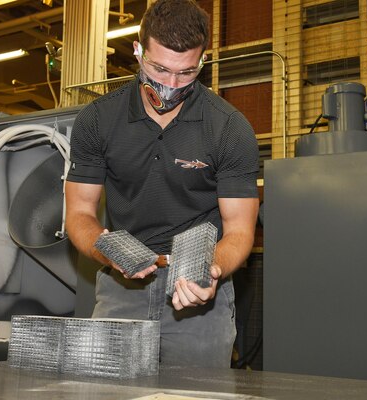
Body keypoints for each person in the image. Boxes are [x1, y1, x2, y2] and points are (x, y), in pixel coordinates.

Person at [65, 0, 259, 368]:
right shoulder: (98, 120)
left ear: (202, 61)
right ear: (138, 52)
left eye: (186, 73)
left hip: (200, 297)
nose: (170, 85)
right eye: (159, 68)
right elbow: (78, 212)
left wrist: (210, 269)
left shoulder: (229, 128)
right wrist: (107, 252)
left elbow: (239, 231)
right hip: (122, 291)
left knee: (198, 394)